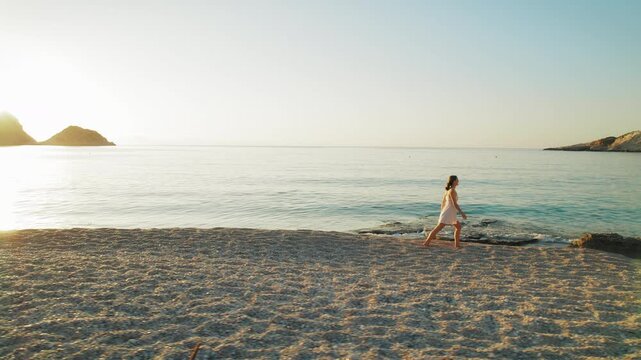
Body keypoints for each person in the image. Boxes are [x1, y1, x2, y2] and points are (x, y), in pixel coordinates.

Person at [423, 175, 467, 249]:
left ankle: (457, 245)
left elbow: (443, 203)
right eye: (457, 180)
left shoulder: (449, 190)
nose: (458, 181)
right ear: (454, 181)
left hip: (449, 212)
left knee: (458, 227)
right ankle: (426, 243)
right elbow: (454, 204)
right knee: (438, 228)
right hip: (449, 213)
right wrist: (462, 213)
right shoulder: (452, 191)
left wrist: (442, 211)